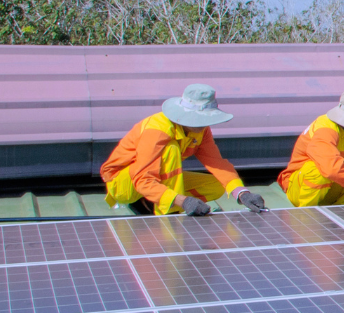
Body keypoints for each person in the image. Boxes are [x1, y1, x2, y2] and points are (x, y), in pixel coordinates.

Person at [101, 83, 269, 216]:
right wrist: (183, 201)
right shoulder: (157, 131)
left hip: (155, 179)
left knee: (218, 186)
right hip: (124, 184)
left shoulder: (201, 130)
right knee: (171, 149)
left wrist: (241, 193)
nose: (203, 124)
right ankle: (169, 213)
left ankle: (156, 200)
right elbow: (142, 179)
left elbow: (218, 164)